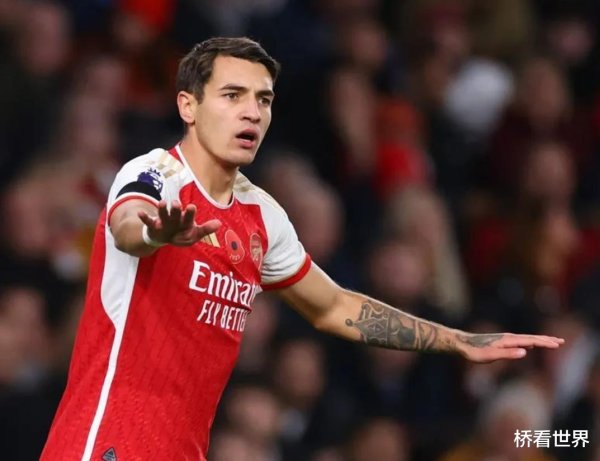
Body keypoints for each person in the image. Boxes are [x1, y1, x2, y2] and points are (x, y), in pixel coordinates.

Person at [40, 37, 565, 461]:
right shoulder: (155, 172)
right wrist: (156, 234)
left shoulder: (263, 216)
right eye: (232, 95)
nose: (251, 113)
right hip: (106, 442)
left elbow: (334, 306)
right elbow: (128, 223)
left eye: (263, 100)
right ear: (188, 106)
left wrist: (456, 341)